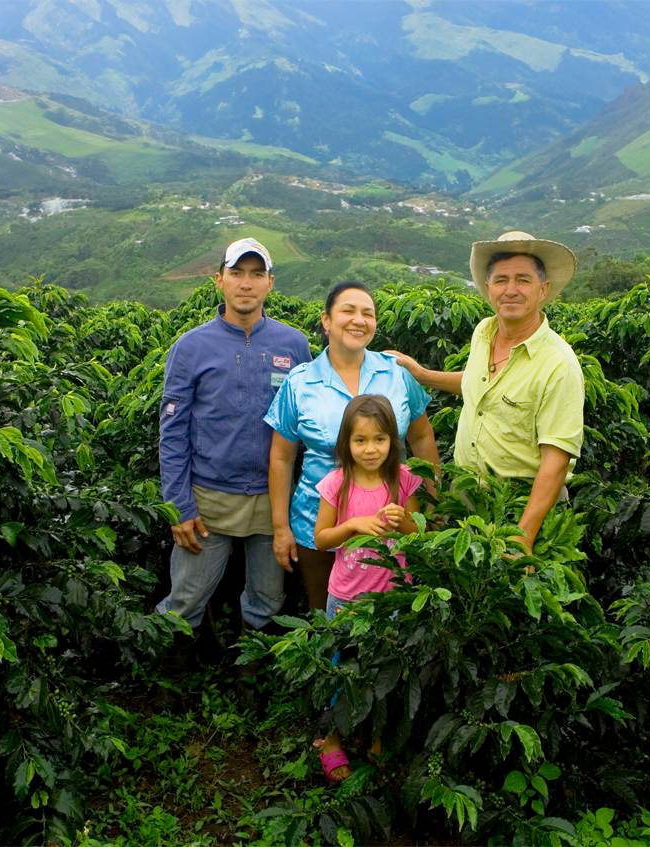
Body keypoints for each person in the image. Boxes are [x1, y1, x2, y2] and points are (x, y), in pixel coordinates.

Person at [389, 231, 584, 553]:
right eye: (501, 280)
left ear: (543, 290)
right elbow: (479, 382)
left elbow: (556, 460)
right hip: (467, 494)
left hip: (522, 505)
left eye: (522, 280)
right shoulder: (484, 331)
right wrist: (423, 375)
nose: (510, 290)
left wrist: (523, 538)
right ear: (489, 288)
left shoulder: (558, 364)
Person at [155, 237, 312, 636]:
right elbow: (173, 432)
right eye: (237, 273)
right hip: (208, 499)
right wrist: (179, 506)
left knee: (267, 598)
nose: (246, 283)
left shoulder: (293, 345)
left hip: (273, 500)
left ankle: (251, 672)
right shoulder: (191, 347)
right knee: (186, 598)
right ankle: (171, 675)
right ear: (219, 281)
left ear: (270, 283)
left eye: (256, 274)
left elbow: (307, 422)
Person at [266, 281, 441, 612]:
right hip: (316, 526)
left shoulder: (396, 375)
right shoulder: (300, 382)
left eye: (368, 313)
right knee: (327, 614)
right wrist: (280, 528)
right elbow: (281, 457)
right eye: (348, 310)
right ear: (326, 320)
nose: (359, 319)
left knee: (391, 614)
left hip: (392, 525)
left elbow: (421, 437)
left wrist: (432, 507)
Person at [311, 395, 423, 782]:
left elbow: (421, 534)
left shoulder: (404, 479)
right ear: (346, 443)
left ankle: (375, 734)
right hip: (347, 596)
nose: (370, 449)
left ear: (393, 440)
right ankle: (330, 737)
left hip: (393, 597)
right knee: (340, 668)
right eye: (360, 441)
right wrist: (353, 525)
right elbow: (322, 538)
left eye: (379, 439)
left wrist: (404, 519)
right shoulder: (337, 483)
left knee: (384, 670)